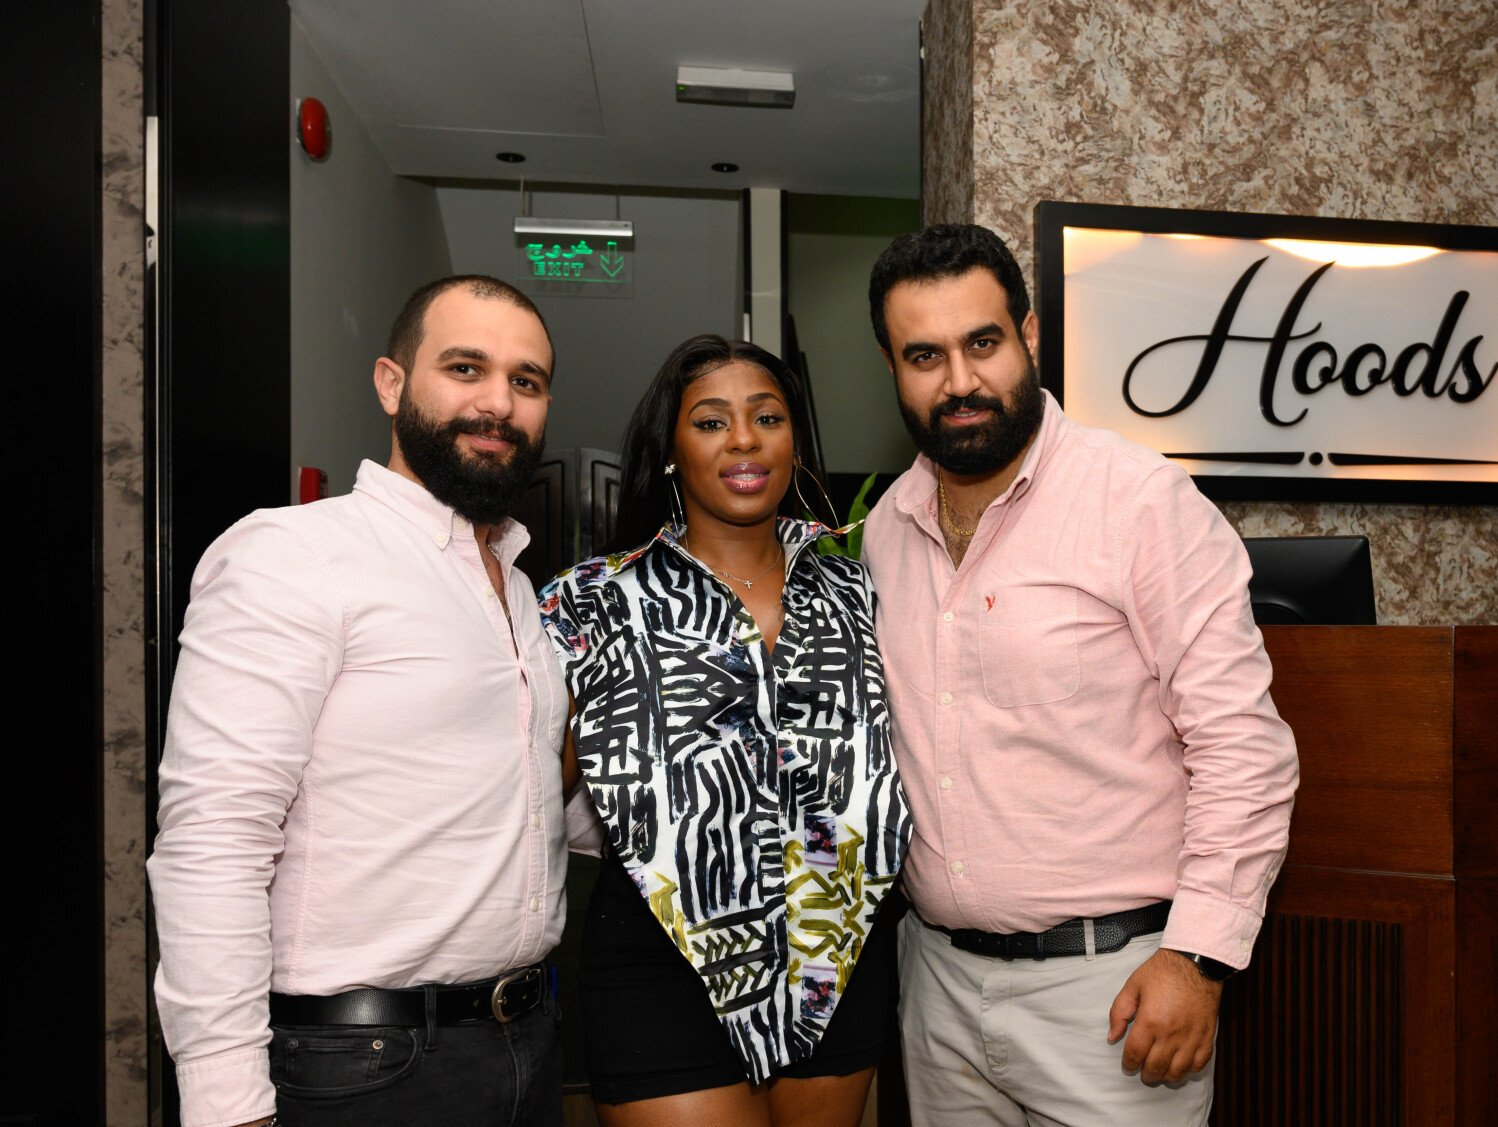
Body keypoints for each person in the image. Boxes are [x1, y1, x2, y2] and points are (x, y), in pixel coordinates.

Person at [862, 224, 1299, 1126]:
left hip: (1117, 995)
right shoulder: (884, 531)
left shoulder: (1139, 502)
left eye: (982, 343)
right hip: (936, 986)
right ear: (891, 367)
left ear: (1029, 335)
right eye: (924, 355)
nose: (959, 382)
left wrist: (1200, 959)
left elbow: (1242, 747)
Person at [148, 275, 572, 1127]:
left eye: (526, 382)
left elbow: (519, 803)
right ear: (391, 382)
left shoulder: (523, 593)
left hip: (525, 1045)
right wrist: (227, 1100)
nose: (498, 402)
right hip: (360, 1069)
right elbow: (215, 837)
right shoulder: (294, 555)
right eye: (465, 367)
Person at [537, 335, 910, 1127]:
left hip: (834, 955)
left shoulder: (863, 586)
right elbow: (528, 784)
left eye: (766, 417)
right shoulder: (592, 602)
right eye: (711, 422)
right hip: (663, 960)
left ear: (794, 440)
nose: (744, 440)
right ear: (671, 449)